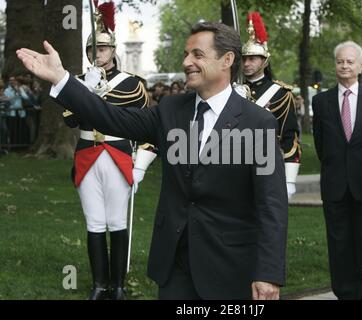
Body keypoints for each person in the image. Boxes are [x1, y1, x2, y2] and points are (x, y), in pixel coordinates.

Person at [17, 21, 288, 300]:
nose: (187, 62)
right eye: (186, 54)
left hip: (230, 268)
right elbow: (111, 117)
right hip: (174, 267)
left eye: (197, 54)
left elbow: (272, 204)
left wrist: (268, 272)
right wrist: (61, 78)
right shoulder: (170, 110)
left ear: (227, 60)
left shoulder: (258, 123)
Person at [62, 2, 155, 300]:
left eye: (102, 50)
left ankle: (118, 286)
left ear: (113, 50)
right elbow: (70, 120)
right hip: (87, 153)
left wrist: (140, 165)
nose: (97, 55)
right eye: (93, 50)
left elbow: (149, 129)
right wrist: (84, 91)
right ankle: (98, 284)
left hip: (117, 154)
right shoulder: (79, 83)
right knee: (93, 223)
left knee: (116, 221)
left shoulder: (133, 84)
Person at [312, 41, 362, 299]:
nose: (344, 66)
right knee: (339, 247)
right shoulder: (321, 102)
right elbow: (321, 146)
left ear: (360, 66)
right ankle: (344, 293)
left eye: (350, 61)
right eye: (340, 61)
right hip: (335, 189)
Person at [242, 12, 301, 199]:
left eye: (252, 59)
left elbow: (290, 138)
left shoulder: (281, 93)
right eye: (244, 58)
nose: (246, 63)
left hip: (268, 163)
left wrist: (289, 180)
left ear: (264, 61)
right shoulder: (230, 90)